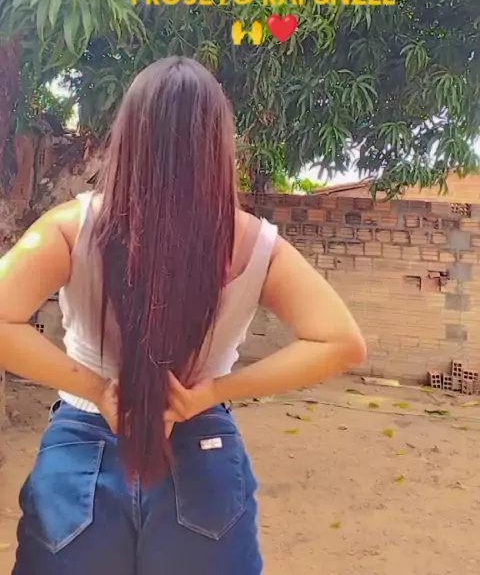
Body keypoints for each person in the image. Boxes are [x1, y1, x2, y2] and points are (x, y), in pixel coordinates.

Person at [0, 57, 366, 575]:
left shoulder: (70, 227)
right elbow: (342, 343)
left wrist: (98, 390)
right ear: (218, 144)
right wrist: (212, 391)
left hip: (83, 446)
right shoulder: (257, 245)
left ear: (129, 135)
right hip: (201, 443)